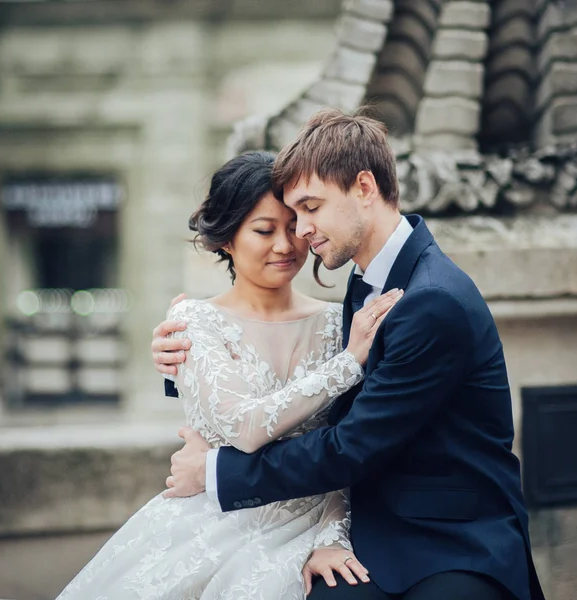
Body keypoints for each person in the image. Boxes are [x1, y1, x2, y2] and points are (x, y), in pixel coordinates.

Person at [154, 110, 546, 600]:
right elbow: (305, 387)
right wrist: (183, 360)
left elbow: (353, 444)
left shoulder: (431, 300)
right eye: (292, 215)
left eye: (310, 208)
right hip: (367, 518)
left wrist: (215, 472)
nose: (300, 232)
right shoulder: (367, 281)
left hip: (452, 535)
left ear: (364, 187)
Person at [55, 151, 402, 600]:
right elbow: (244, 428)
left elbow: (349, 448)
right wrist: (348, 363)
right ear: (225, 239)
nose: (285, 244)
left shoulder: (342, 323)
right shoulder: (194, 322)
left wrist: (331, 536)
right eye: (264, 230)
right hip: (215, 517)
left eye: (292, 225)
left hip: (309, 523)